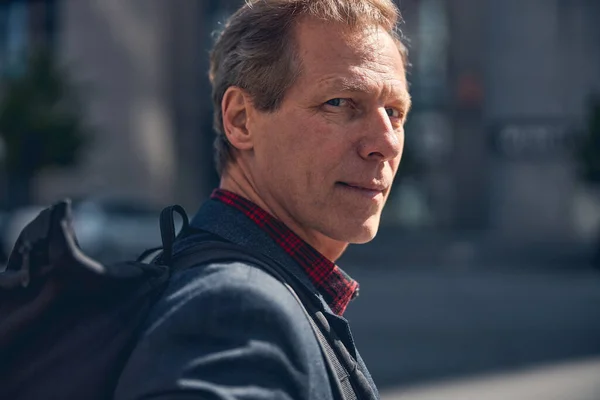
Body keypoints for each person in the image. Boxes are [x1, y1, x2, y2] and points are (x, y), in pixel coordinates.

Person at [115, 0, 411, 399]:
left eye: (394, 112)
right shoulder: (233, 310)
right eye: (340, 103)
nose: (386, 143)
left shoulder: (246, 291)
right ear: (240, 119)